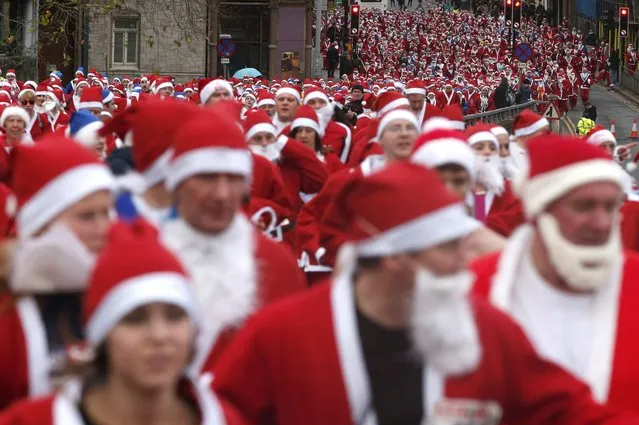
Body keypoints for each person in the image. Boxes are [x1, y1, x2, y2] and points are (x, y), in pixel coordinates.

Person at [212, 162, 638, 425]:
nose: (466, 260)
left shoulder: (485, 329)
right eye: (449, 248)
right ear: (397, 257)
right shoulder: (282, 333)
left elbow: (567, 410)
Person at [0, 220, 243, 425]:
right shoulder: (34, 420)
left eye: (174, 316)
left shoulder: (224, 418)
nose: (159, 335)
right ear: (101, 335)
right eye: (134, 319)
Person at [472, 134, 639, 413]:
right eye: (583, 206)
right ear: (540, 212)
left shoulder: (634, 280)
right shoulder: (479, 288)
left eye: (611, 207)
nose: (602, 223)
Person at [160, 107, 305, 374]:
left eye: (235, 179)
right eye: (207, 178)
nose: (222, 194)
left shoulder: (275, 264)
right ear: (177, 184)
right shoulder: (146, 256)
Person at [0, 136, 116, 409]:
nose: (104, 228)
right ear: (43, 224)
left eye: (107, 213)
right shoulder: (9, 313)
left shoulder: (122, 289)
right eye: (86, 216)